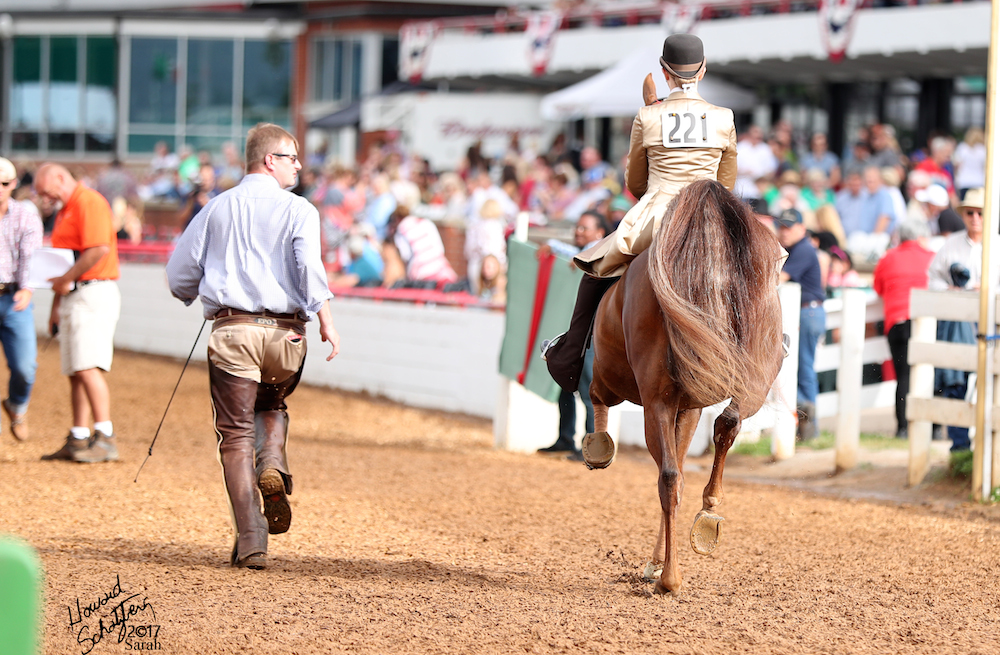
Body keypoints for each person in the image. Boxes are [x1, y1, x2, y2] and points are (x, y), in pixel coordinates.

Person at [165, 122, 341, 570]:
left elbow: (178, 275)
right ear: (269, 159)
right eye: (292, 157)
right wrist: (326, 320)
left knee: (235, 434)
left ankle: (251, 536)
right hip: (287, 335)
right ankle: (274, 463)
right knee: (272, 405)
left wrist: (192, 293)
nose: (299, 165)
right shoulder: (301, 210)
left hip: (233, 330)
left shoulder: (216, 207)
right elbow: (309, 268)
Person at [543, 33, 737, 394]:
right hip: (711, 216)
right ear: (703, 71)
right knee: (758, 268)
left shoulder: (649, 116)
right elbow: (725, 181)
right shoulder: (724, 117)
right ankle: (767, 344)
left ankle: (570, 353)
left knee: (597, 268)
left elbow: (635, 181)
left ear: (665, 72)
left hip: (660, 211)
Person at [35, 163, 122, 463]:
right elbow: (61, 266)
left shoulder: (89, 202)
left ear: (61, 177)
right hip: (74, 294)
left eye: (45, 190)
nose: (44, 197)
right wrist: (56, 307)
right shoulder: (65, 210)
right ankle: (79, 436)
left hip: (93, 291)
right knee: (75, 370)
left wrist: (66, 279)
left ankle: (105, 435)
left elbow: (98, 249)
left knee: (88, 366)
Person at [538, 210, 610, 458]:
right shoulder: (593, 251)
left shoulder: (598, 250)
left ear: (599, 233)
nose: (578, 232)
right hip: (580, 332)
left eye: (584, 228)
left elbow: (586, 254)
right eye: (577, 228)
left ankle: (585, 444)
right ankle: (567, 438)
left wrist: (564, 250)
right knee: (567, 385)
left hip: (590, 335)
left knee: (588, 389)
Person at [926, 188, 987, 455]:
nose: (975, 218)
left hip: (988, 326)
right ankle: (960, 446)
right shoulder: (951, 245)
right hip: (959, 327)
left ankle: (984, 451)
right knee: (956, 383)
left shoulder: (994, 246)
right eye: (970, 212)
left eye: (980, 213)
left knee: (987, 385)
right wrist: (951, 290)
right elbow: (933, 279)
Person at [872, 219, 934, 438]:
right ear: (920, 236)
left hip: (897, 321)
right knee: (929, 373)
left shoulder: (888, 258)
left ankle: (902, 428)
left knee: (903, 376)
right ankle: (934, 428)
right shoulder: (930, 257)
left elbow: (878, 288)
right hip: (925, 321)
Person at [0, 158, 43, 442]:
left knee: (25, 367)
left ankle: (16, 405)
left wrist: (27, 288)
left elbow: (31, 255)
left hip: (13, 295)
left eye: (3, 183)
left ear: (14, 184)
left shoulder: (25, 214)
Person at [776, 208, 825, 441]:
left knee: (803, 369)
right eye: (782, 226)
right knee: (802, 368)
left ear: (801, 229)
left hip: (807, 313)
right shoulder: (800, 248)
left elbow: (779, 278)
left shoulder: (803, 249)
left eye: (788, 227)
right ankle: (806, 428)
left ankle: (808, 429)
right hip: (808, 313)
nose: (783, 232)